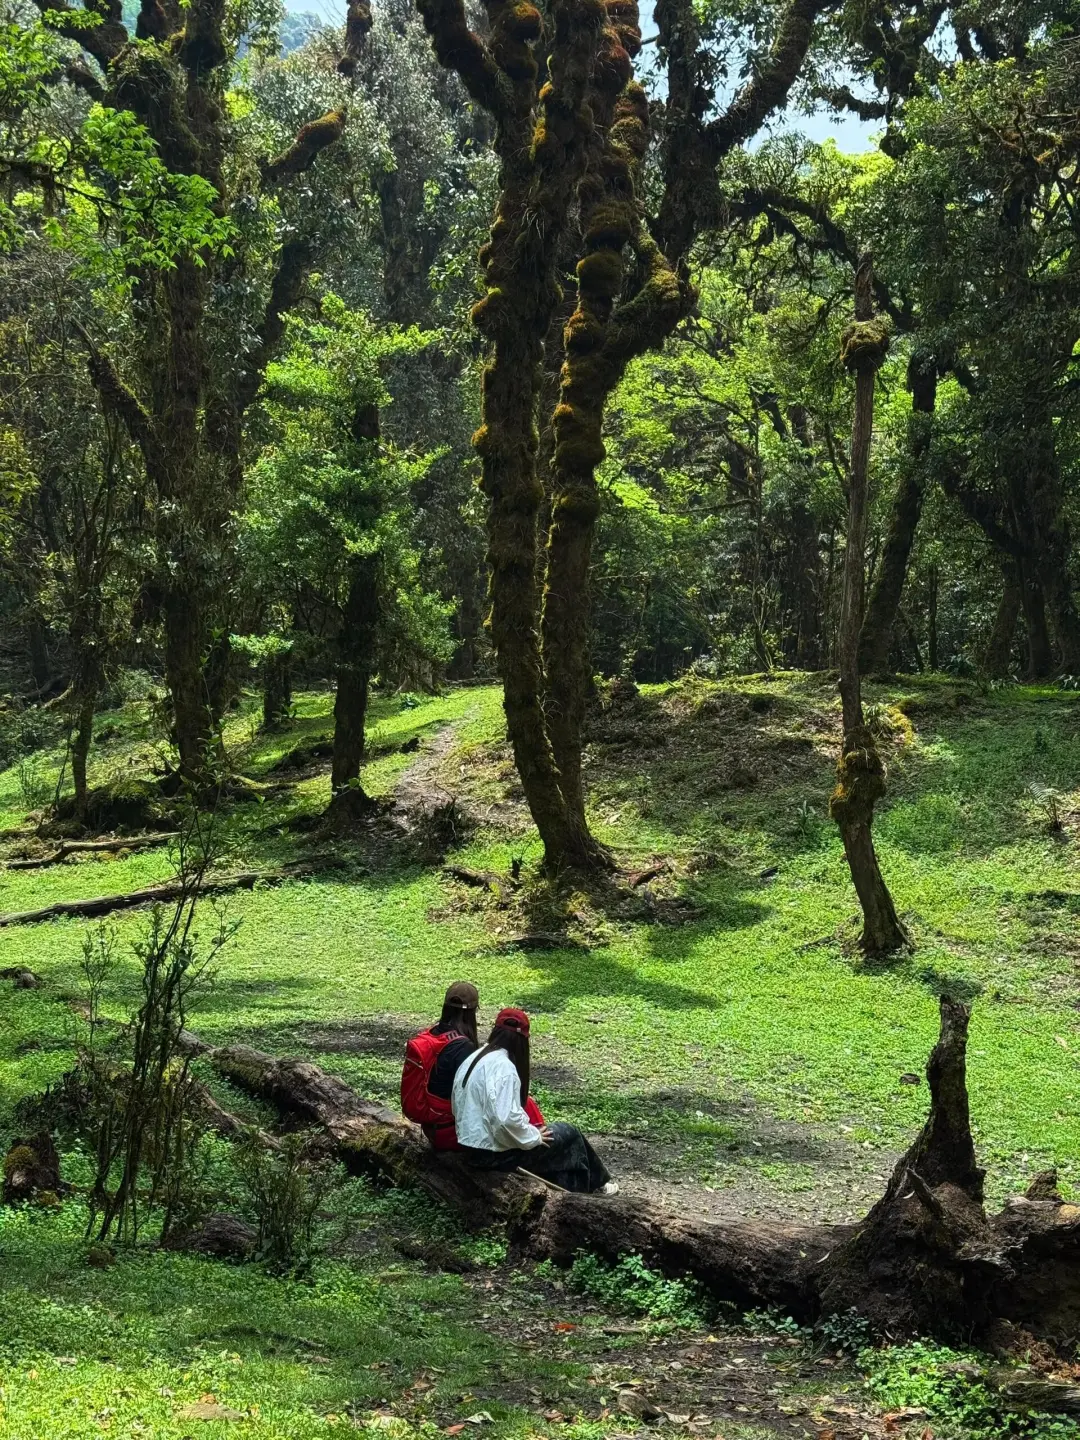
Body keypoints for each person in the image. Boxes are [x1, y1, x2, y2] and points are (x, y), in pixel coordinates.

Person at [451, 1008, 617, 1195]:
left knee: (558, 1142)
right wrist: (532, 1136)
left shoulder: (476, 1057)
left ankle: (582, 1188)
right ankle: (596, 1185)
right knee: (570, 1134)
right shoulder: (504, 1068)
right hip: (491, 1155)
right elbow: (505, 1120)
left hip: (469, 1146)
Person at [401, 983, 544, 1150]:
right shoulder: (463, 1047)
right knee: (526, 1105)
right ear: (472, 1012)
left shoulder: (434, 1033)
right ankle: (537, 1144)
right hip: (451, 1133)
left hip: (432, 1126)